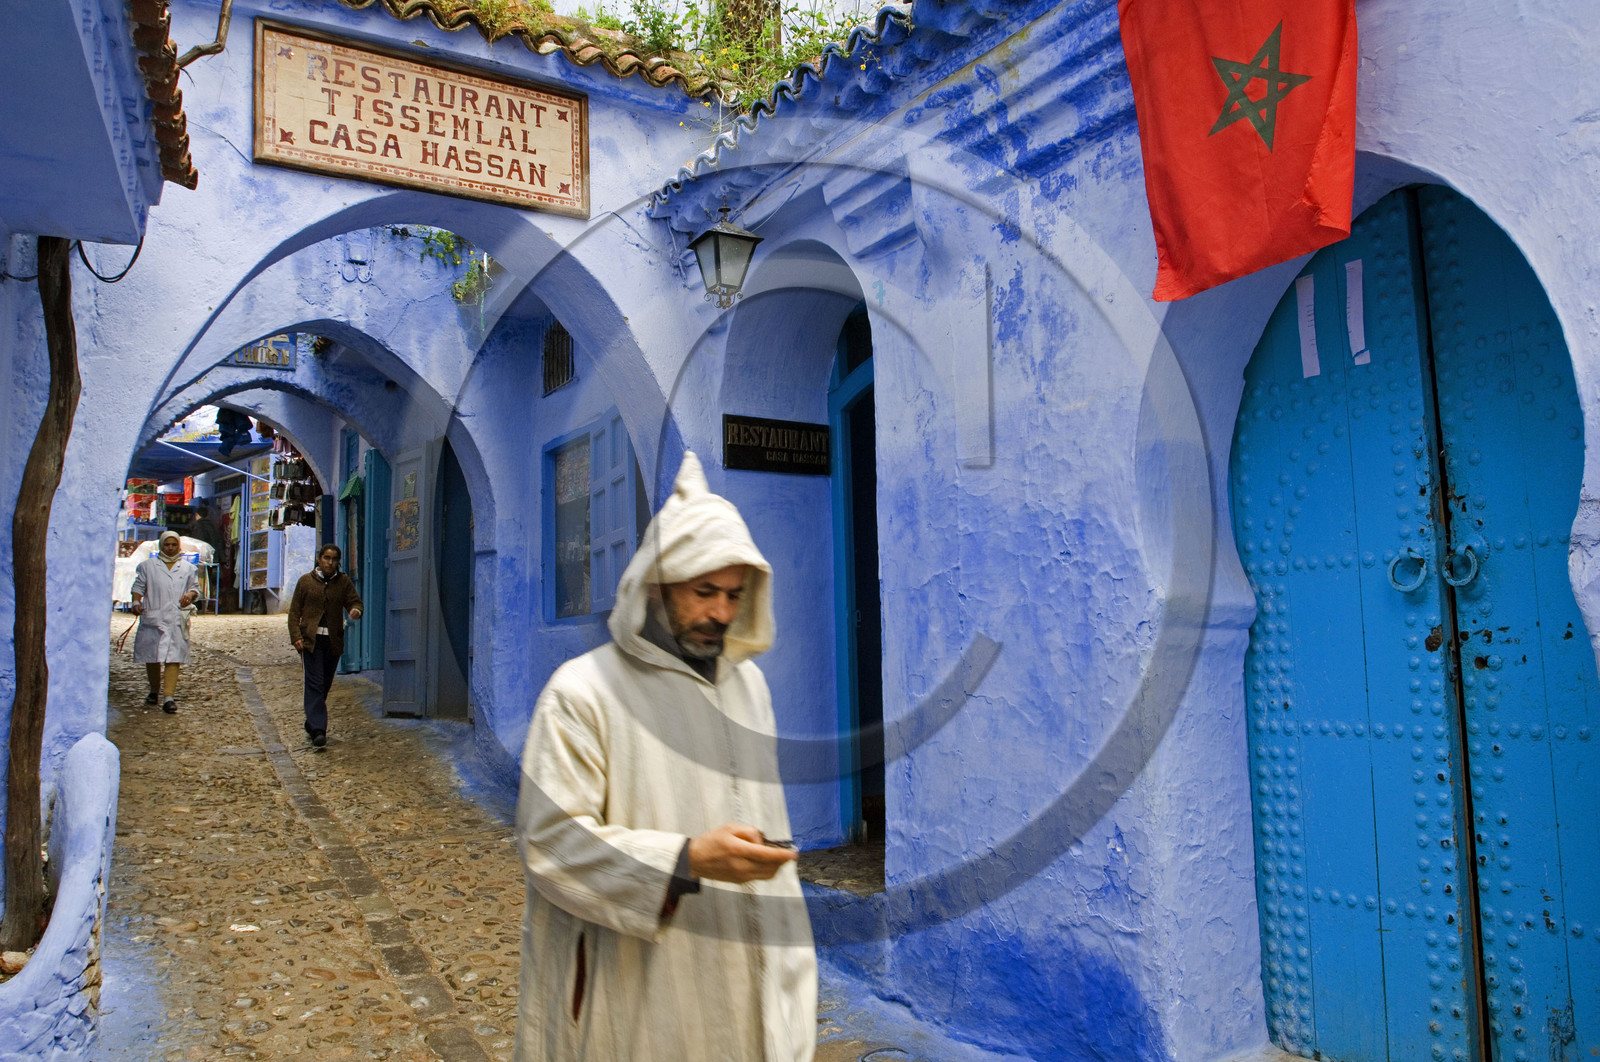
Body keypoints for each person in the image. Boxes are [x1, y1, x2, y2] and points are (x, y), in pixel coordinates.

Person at [515, 452, 816, 1062]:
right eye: (704, 591)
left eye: (734, 594)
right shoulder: (582, 693)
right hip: (633, 989)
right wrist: (686, 860)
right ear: (656, 586)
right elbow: (550, 843)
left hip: (745, 973)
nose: (722, 613)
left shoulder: (749, 687)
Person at [286, 544, 363, 748]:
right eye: (327, 558)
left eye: (334, 559)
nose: (330, 562)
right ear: (319, 559)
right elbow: (294, 612)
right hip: (310, 641)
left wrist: (356, 610)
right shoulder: (305, 582)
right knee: (315, 683)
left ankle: (312, 721)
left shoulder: (343, 582)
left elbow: (355, 602)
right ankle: (319, 730)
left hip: (332, 642)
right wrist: (296, 636)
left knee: (325, 683)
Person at [130, 529, 200, 713]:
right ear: (161, 545)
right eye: (166, 545)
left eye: (173, 545)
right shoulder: (148, 566)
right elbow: (138, 586)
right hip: (154, 616)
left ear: (179, 546)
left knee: (174, 656)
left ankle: (169, 697)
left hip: (176, 617)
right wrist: (136, 601)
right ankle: (154, 690)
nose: (170, 548)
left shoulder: (188, 568)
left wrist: (190, 595)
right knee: (152, 656)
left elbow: (195, 589)